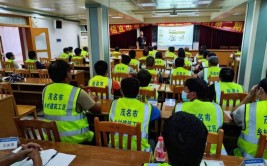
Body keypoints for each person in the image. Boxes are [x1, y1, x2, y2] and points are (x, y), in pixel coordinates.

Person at [43, 60, 101, 144]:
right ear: (67, 74)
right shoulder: (77, 92)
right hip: (76, 140)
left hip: (51, 138)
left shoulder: (45, 90)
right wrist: (91, 99)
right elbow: (97, 110)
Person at [174, 78, 224, 154]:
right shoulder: (217, 108)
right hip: (212, 152)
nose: (183, 93)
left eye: (185, 91)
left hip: (186, 152)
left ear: (193, 94)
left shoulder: (179, 107)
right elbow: (219, 126)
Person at [109, 77, 160, 151]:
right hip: (140, 151)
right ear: (139, 92)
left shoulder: (114, 104)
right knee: (152, 141)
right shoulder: (146, 107)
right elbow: (158, 114)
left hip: (116, 148)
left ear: (121, 91)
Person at [232, 78, 267, 158]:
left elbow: (233, 115)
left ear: (260, 90)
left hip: (247, 158)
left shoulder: (247, 108)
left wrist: (249, 97)